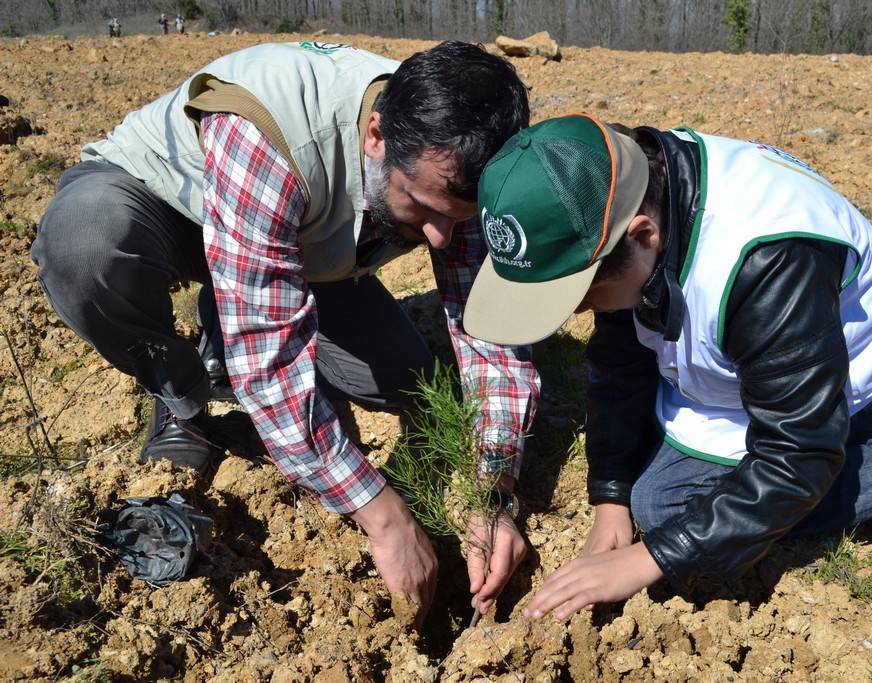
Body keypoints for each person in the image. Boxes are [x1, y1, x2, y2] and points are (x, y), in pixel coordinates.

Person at [32, 40, 539, 627]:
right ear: (375, 136)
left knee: (406, 381)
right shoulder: (273, 135)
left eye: (460, 218)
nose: (442, 237)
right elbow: (269, 367)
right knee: (85, 247)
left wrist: (493, 490)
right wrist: (384, 517)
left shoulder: (458, 156)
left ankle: (237, 308)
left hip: (296, 244)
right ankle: (181, 395)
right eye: (422, 209)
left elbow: (490, 334)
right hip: (165, 206)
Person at [463, 113, 872, 621]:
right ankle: (851, 431)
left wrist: (648, 558)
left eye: (582, 294)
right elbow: (619, 361)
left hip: (830, 339)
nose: (579, 312)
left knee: (669, 505)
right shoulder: (622, 189)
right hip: (760, 345)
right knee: (645, 497)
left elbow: (797, 457)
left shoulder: (764, 261)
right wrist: (610, 495)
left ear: (642, 237)